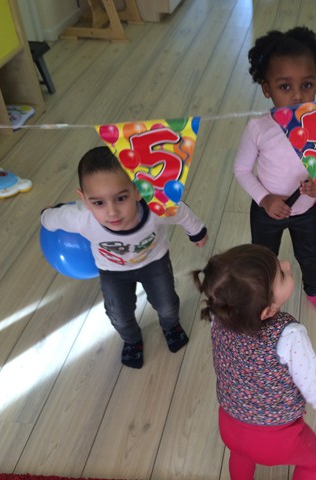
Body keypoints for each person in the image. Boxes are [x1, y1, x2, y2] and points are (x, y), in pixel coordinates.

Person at [193, 244, 316, 480]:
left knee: (240, 455)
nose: (287, 264)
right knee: (314, 460)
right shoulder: (289, 335)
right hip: (277, 440)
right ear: (267, 311)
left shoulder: (219, 314)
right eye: (282, 275)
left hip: (230, 426)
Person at [41, 146, 208, 369]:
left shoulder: (156, 208)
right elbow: (53, 218)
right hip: (112, 272)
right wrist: (46, 214)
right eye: (98, 202)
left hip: (154, 262)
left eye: (121, 198)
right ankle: (131, 340)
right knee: (118, 313)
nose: (112, 212)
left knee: (166, 303)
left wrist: (197, 232)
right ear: (84, 200)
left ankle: (171, 326)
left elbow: (181, 212)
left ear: (138, 191)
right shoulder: (80, 217)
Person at [234, 26, 316, 320]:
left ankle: (313, 290)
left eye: (307, 85)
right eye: (285, 87)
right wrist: (265, 199)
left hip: (308, 210)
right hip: (267, 211)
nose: (297, 96)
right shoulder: (258, 128)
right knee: (263, 258)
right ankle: (262, 295)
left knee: (310, 255)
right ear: (266, 89)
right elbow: (241, 169)